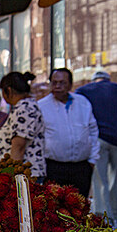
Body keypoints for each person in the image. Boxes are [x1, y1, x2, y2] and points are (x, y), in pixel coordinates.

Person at [76, 70, 117, 226]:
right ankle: (116, 216)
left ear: (94, 80)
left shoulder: (85, 90)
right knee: (115, 178)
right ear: (108, 79)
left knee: (100, 179)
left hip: (99, 139)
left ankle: (105, 217)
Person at [38, 68, 99, 197]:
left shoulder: (83, 103)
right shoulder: (42, 106)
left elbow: (93, 131)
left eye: (62, 83)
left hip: (81, 168)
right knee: (54, 210)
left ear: (70, 85)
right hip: (54, 168)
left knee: (80, 209)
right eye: (54, 83)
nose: (57, 86)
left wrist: (92, 160)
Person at [0, 72, 46, 179]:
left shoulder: (24, 109)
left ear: (8, 90)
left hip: (26, 175)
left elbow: (19, 146)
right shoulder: (26, 106)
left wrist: (11, 176)